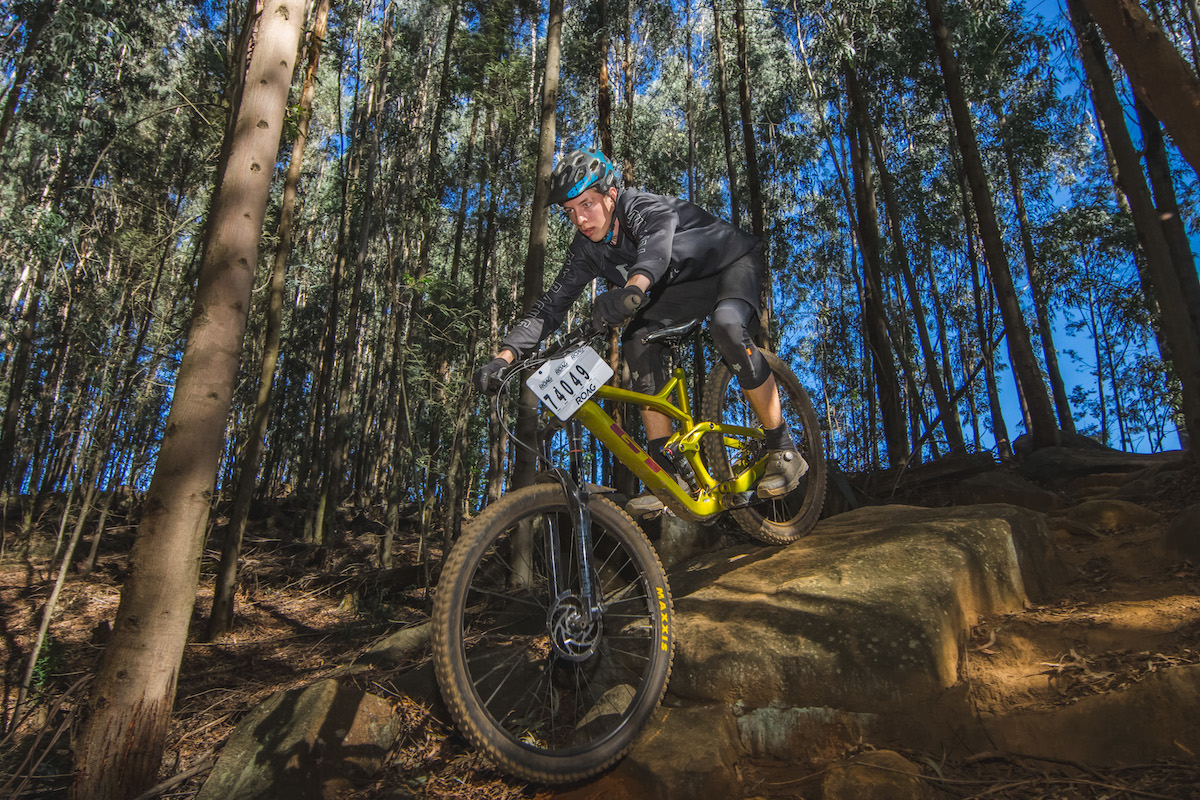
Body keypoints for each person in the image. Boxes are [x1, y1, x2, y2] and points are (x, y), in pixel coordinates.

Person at [473, 146, 805, 513]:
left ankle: (783, 448)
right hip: (682, 288)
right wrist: (504, 358)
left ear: (610, 194)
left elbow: (655, 249)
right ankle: (666, 475)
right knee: (637, 341)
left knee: (726, 325)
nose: (580, 219)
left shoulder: (641, 206)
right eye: (570, 211)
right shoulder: (586, 248)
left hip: (731, 263)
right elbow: (549, 308)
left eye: (587, 204)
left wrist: (632, 291)